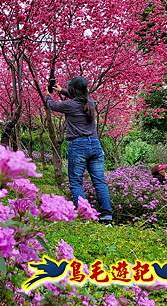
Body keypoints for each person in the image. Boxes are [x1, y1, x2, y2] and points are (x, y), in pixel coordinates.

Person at [46, 76, 113, 225]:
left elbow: (52, 106)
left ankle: (85, 217)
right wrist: (61, 90)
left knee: (76, 183)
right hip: (95, 145)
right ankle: (107, 217)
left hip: (78, 146)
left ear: (73, 90)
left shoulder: (69, 105)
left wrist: (48, 94)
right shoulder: (90, 102)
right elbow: (79, 99)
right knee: (100, 182)